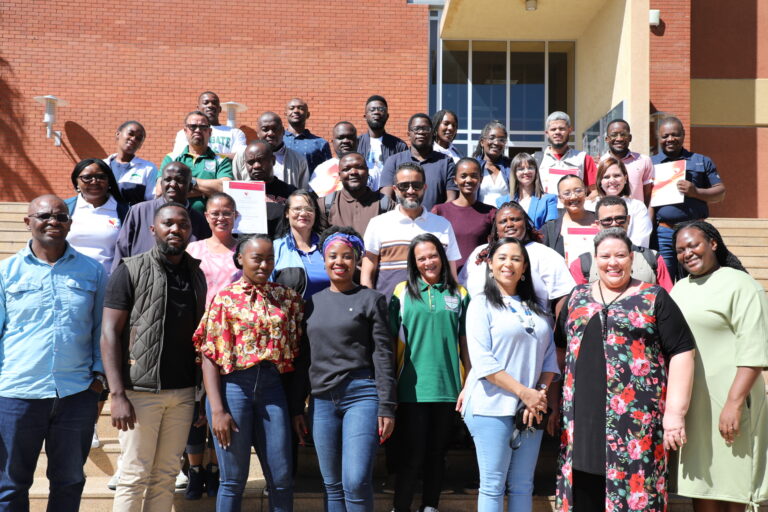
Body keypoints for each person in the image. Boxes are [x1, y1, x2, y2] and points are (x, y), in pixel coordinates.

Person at [554, 228, 696, 511]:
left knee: (636, 495)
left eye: (620, 255)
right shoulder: (577, 297)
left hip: (636, 424)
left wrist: (675, 414)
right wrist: (555, 401)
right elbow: (560, 348)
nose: (613, 262)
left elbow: (682, 351)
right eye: (605, 256)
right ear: (595, 260)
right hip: (581, 423)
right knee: (583, 494)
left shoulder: (653, 297)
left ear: (632, 258)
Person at [0, 195, 107, 512]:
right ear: (27, 221)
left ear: (70, 223)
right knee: (9, 486)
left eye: (61, 216)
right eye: (44, 215)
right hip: (17, 393)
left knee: (70, 482)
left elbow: (102, 329)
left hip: (75, 393)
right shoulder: (6, 272)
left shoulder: (93, 271)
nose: (53, 221)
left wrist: (99, 379)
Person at [101, 202, 206, 512]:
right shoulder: (130, 269)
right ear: (153, 229)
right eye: (168, 224)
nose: (176, 229)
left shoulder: (196, 272)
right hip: (139, 393)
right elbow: (108, 333)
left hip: (183, 392)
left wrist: (199, 393)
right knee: (134, 475)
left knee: (166, 476)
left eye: (183, 225)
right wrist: (117, 394)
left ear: (190, 231)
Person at [194, 235, 303, 512]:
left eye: (269, 258)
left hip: (272, 388)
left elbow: (297, 347)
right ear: (241, 259)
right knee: (233, 479)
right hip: (234, 388)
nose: (264, 264)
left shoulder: (286, 298)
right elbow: (209, 356)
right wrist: (216, 409)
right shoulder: (225, 298)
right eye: (257, 258)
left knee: (281, 478)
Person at [291, 226, 396, 512]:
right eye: (333, 256)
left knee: (356, 480)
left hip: (361, 395)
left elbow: (383, 355)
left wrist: (386, 406)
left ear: (357, 260)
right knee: (332, 484)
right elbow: (303, 359)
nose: (340, 262)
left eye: (347, 256)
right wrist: (297, 408)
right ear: (324, 261)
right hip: (322, 401)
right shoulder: (311, 304)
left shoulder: (372, 300)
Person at [670, 221, 768, 510]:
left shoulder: (741, 284)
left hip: (731, 401)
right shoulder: (679, 289)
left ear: (713, 243)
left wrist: (734, 403)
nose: (687, 253)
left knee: (733, 489)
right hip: (694, 405)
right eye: (680, 250)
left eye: (693, 245)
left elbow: (754, 351)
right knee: (701, 486)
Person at [460, 237, 559, 511]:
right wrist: (525, 393)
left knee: (523, 484)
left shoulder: (537, 308)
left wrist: (538, 394)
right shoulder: (481, 305)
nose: (508, 264)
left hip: (530, 408)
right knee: (493, 484)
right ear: (490, 265)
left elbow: (550, 358)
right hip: (490, 406)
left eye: (516, 259)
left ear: (524, 267)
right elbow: (483, 362)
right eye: (502, 257)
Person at [389, 234, 470, 512]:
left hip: (449, 389)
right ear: (414, 262)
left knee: (437, 454)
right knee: (412, 456)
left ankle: (430, 507)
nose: (428, 262)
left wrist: (467, 383)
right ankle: (400, 507)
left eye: (433, 255)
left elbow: (465, 342)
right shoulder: (401, 292)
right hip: (411, 389)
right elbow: (388, 344)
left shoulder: (460, 294)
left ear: (442, 257)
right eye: (421, 258)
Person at [183, 192, 242, 499]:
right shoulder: (193, 249)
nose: (221, 217)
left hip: (233, 344)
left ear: (236, 216)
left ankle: (218, 469)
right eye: (215, 213)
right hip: (196, 338)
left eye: (227, 212)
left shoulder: (243, 250)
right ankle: (195, 470)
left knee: (224, 408)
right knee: (195, 410)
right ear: (205, 216)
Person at [362, 162, 461, 299]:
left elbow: (451, 274)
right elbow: (367, 272)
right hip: (388, 311)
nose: (410, 191)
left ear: (424, 188)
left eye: (416, 185)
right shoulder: (378, 224)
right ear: (395, 189)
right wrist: (370, 305)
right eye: (404, 186)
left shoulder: (443, 225)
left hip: (433, 312)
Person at [460, 201, 575, 315]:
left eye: (515, 219)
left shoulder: (546, 255)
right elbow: (461, 290)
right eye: (503, 221)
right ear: (496, 227)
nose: (509, 224)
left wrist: (558, 332)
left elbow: (564, 295)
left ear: (525, 222)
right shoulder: (480, 252)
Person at [651, 116, 726, 280]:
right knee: (665, 280)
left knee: (698, 278)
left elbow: (720, 192)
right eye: (665, 136)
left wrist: (696, 192)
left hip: (695, 231)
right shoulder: (650, 163)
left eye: (675, 134)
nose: (670, 139)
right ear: (659, 137)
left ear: (683, 135)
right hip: (664, 232)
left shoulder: (701, 161)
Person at [112, 161, 211, 272]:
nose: (172, 184)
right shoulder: (138, 211)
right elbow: (122, 251)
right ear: (161, 183)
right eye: (168, 180)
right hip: (138, 282)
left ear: (190, 187)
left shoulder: (200, 221)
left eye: (180, 181)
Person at [569, 195, 673, 291]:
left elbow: (667, 301)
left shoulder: (653, 259)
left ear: (628, 220)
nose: (614, 224)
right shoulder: (581, 265)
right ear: (597, 224)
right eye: (607, 220)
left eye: (620, 219)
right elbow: (578, 305)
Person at [380, 113, 459, 211]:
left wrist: (433, 217)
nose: (421, 132)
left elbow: (452, 199)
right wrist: (404, 215)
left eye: (425, 128)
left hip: (434, 223)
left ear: (433, 133)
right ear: (409, 134)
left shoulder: (446, 162)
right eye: (416, 129)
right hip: (401, 222)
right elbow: (386, 199)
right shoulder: (393, 161)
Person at [160, 110, 234, 213]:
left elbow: (225, 189)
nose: (198, 130)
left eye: (203, 127)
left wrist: (188, 182)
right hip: (175, 221)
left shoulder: (221, 160)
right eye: (193, 127)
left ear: (209, 132)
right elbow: (160, 190)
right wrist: (207, 191)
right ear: (185, 131)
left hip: (208, 224)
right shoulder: (171, 158)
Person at [65, 158, 130, 273]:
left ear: (109, 181)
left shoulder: (124, 211)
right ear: (76, 182)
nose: (94, 181)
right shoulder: (64, 208)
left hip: (108, 281)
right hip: (69, 280)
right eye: (87, 177)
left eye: (101, 177)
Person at [431, 157, 495, 272]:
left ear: (481, 179)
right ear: (455, 180)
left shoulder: (490, 213)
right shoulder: (440, 211)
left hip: (478, 278)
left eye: (474, 176)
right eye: (463, 176)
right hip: (448, 280)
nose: (469, 180)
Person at [272, 189, 329, 299]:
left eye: (309, 209)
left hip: (328, 314)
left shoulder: (327, 246)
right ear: (287, 213)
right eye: (297, 209)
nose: (303, 213)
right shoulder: (275, 248)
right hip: (290, 315)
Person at [589, 156, 653, 248]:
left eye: (617, 176)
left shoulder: (637, 207)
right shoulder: (589, 206)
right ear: (600, 181)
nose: (612, 180)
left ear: (625, 178)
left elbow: (641, 241)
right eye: (606, 177)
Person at [326, 152, 394, 237]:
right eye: (346, 169)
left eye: (359, 167)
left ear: (368, 172)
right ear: (339, 175)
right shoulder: (325, 205)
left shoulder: (385, 204)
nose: (353, 172)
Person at [233, 112, 309, 190]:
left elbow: (302, 193)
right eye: (265, 129)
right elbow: (235, 187)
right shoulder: (242, 155)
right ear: (258, 132)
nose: (270, 133)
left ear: (283, 131)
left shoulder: (298, 159)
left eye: (275, 129)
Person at [239, 140, 298, 237]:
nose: (256, 166)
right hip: (249, 248)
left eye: (261, 160)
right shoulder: (238, 193)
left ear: (273, 160)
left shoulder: (291, 193)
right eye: (251, 162)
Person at [536, 111, 597, 194]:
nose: (557, 132)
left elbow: (594, 191)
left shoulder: (583, 158)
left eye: (562, 129)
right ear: (547, 133)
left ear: (570, 130)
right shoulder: (535, 159)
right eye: (553, 129)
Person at [172, 91, 246, 159]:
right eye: (205, 102)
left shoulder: (235, 133)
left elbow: (240, 156)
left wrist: (210, 156)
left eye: (214, 103)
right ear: (198, 108)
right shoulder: (186, 132)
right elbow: (181, 156)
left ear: (219, 109)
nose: (210, 105)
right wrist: (223, 156)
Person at [356, 95, 408, 190]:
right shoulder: (356, 143)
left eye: (381, 109)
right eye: (372, 109)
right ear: (365, 116)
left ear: (387, 116)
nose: (376, 112)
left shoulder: (399, 146)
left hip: (389, 199)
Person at [494, 152, 558, 230]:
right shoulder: (502, 201)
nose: (526, 171)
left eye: (530, 167)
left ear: (536, 171)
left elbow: (551, 231)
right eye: (521, 169)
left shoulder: (549, 200)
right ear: (514, 173)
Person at [541, 175, 596, 264]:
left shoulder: (601, 220)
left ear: (585, 191)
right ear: (560, 198)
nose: (573, 197)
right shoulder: (551, 227)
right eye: (567, 193)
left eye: (578, 191)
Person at [104, 120, 159, 205]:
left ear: (140, 144)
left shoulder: (148, 169)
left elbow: (152, 202)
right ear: (118, 134)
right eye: (130, 133)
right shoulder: (101, 166)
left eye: (139, 138)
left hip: (132, 218)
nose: (133, 139)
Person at [601, 119, 654, 205]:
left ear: (630, 138)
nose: (619, 138)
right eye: (614, 135)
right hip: (609, 216)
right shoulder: (599, 163)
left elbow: (648, 194)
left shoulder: (644, 161)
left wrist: (646, 216)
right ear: (607, 139)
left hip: (637, 215)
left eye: (623, 134)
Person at [308, 121, 358, 198]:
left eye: (350, 137)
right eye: (340, 138)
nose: (345, 141)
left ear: (357, 141)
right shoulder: (322, 169)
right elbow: (314, 199)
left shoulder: (370, 168)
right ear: (332, 141)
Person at [283, 97, 333, 173]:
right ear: (285, 114)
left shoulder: (321, 143)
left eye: (301, 108)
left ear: (308, 115)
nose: (296, 111)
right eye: (292, 108)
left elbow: (328, 173)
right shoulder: (277, 141)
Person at [473, 121, 511, 207]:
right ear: (482, 142)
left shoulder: (511, 167)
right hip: (480, 217)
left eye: (501, 140)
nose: (496, 143)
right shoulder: (474, 166)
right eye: (492, 138)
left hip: (505, 218)